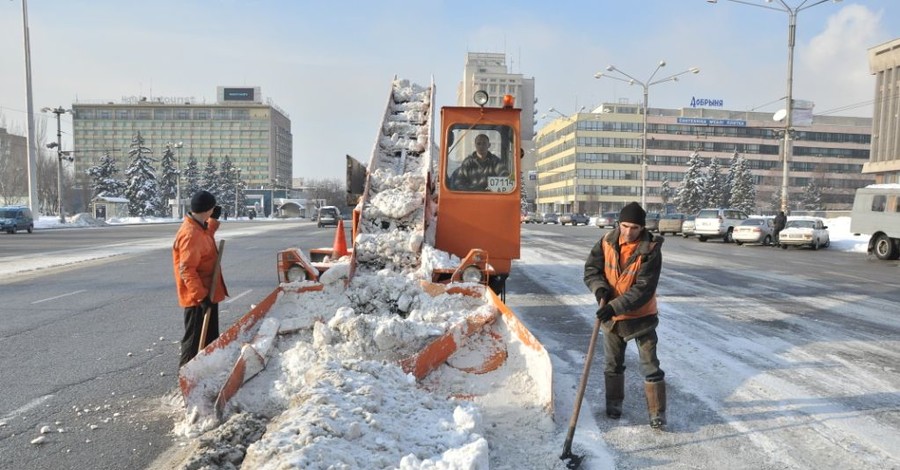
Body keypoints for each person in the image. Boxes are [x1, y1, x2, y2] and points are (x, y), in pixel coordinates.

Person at [583, 202, 667, 429]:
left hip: (641, 318)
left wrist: (613, 306)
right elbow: (592, 270)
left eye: (635, 228)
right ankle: (614, 406)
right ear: (619, 223)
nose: (629, 232)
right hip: (613, 319)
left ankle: (656, 413)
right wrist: (599, 288)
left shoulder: (650, 250)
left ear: (642, 228)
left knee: (650, 366)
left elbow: (643, 289)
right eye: (625, 226)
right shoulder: (606, 241)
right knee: (612, 364)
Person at [172, 190, 228, 367]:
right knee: (194, 341)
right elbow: (187, 269)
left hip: (207, 292)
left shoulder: (199, 227)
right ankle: (186, 377)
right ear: (206, 210)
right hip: (198, 297)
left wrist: (212, 221)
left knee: (210, 339)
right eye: (212, 208)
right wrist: (201, 296)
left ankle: (205, 373)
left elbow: (206, 237)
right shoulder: (191, 235)